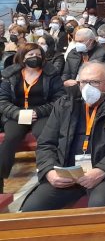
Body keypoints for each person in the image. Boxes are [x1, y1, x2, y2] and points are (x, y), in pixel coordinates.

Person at [20, 61, 105, 211]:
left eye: (94, 82)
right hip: (67, 172)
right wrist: (49, 171)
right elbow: (46, 143)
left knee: (98, 206)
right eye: (83, 82)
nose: (87, 87)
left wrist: (101, 171)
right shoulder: (64, 104)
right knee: (31, 208)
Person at [0, 44, 65, 193]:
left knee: (43, 136)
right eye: (30, 55)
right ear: (22, 57)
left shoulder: (51, 74)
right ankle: (1, 178)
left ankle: (48, 173)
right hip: (17, 114)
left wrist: (38, 111)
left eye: (38, 54)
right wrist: (17, 113)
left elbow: (59, 98)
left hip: (42, 114)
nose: (34, 57)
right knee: (10, 138)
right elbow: (2, 101)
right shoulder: (10, 75)